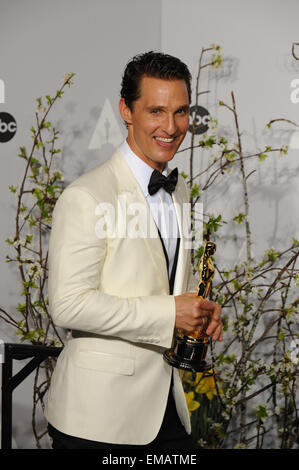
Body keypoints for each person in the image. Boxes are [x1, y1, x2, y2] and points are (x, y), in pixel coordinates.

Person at [45, 51, 222, 449]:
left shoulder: (180, 192)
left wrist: (198, 311)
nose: (171, 127)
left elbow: (167, 282)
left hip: (165, 408)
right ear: (126, 110)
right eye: (156, 111)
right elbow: (68, 305)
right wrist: (169, 312)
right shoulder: (87, 195)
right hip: (98, 420)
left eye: (180, 112)